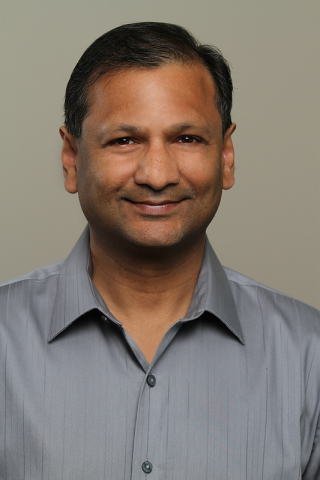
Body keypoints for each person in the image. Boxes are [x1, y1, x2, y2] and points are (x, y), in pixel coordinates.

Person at [0, 22, 319, 480]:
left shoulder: (309, 356)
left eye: (186, 138)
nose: (156, 174)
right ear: (71, 159)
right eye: (124, 140)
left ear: (226, 155)